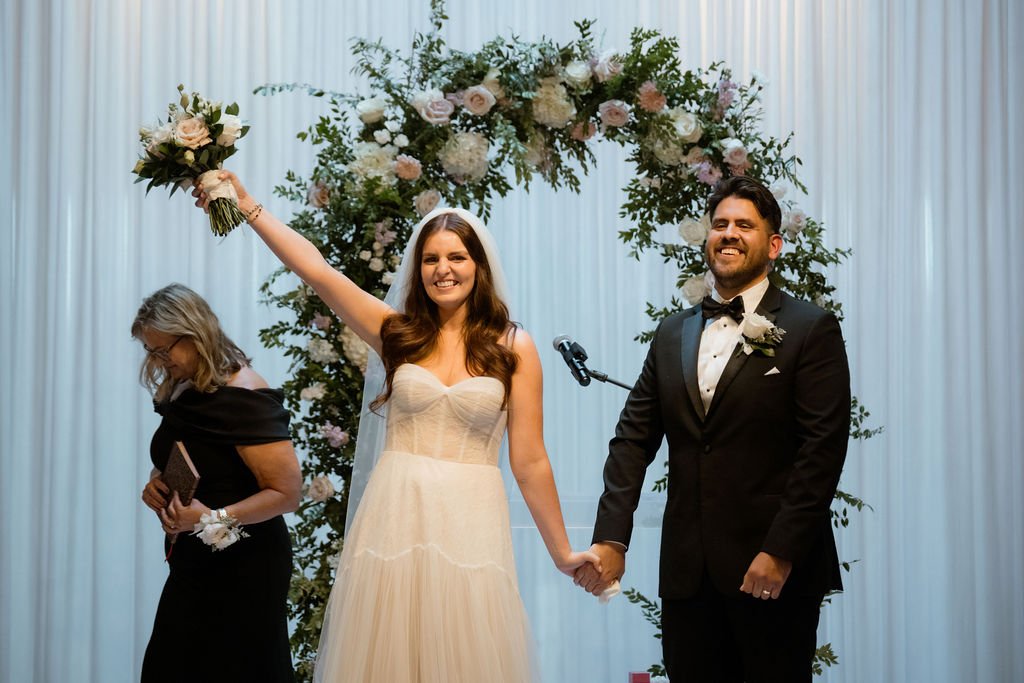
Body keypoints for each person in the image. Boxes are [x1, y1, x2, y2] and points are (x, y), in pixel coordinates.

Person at [194, 172, 599, 682]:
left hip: (470, 520)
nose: (443, 270)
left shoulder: (515, 346)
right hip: (396, 513)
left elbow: (530, 458)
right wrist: (247, 203)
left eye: (456, 257)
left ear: (480, 266)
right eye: (431, 259)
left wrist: (562, 552)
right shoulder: (395, 332)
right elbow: (317, 271)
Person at [575, 175, 851, 682]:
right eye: (719, 224)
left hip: (771, 573)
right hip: (688, 575)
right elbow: (633, 439)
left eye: (744, 225)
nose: (728, 233)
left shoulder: (811, 328)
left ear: (773, 245)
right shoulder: (672, 332)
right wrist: (612, 537)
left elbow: (822, 450)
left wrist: (780, 550)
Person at [134, 283, 302, 683]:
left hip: (246, 566)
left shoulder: (244, 392)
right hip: (197, 560)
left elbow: (287, 493)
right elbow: (199, 454)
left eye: (163, 350)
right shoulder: (186, 385)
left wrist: (211, 518)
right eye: (150, 352)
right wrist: (157, 483)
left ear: (194, 335)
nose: (158, 361)